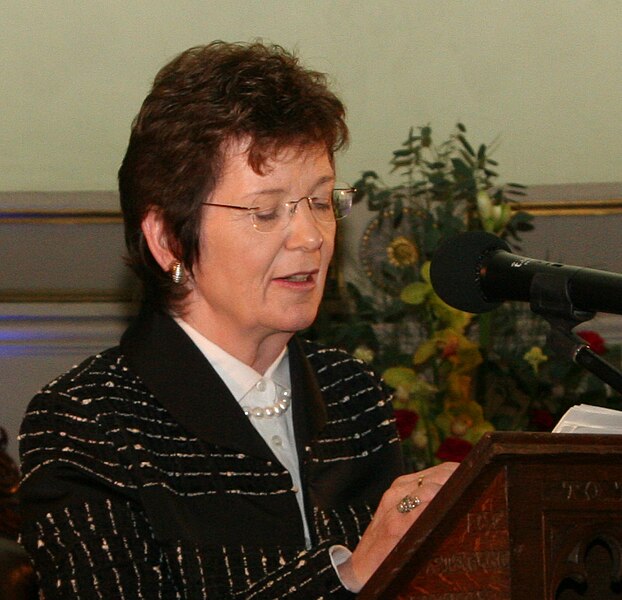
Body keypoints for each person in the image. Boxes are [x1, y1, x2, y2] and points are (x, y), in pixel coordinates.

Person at [19, 41, 457, 598]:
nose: (310, 239)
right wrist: (349, 574)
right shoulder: (88, 421)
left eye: (321, 202)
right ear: (169, 238)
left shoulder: (351, 393)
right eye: (266, 211)